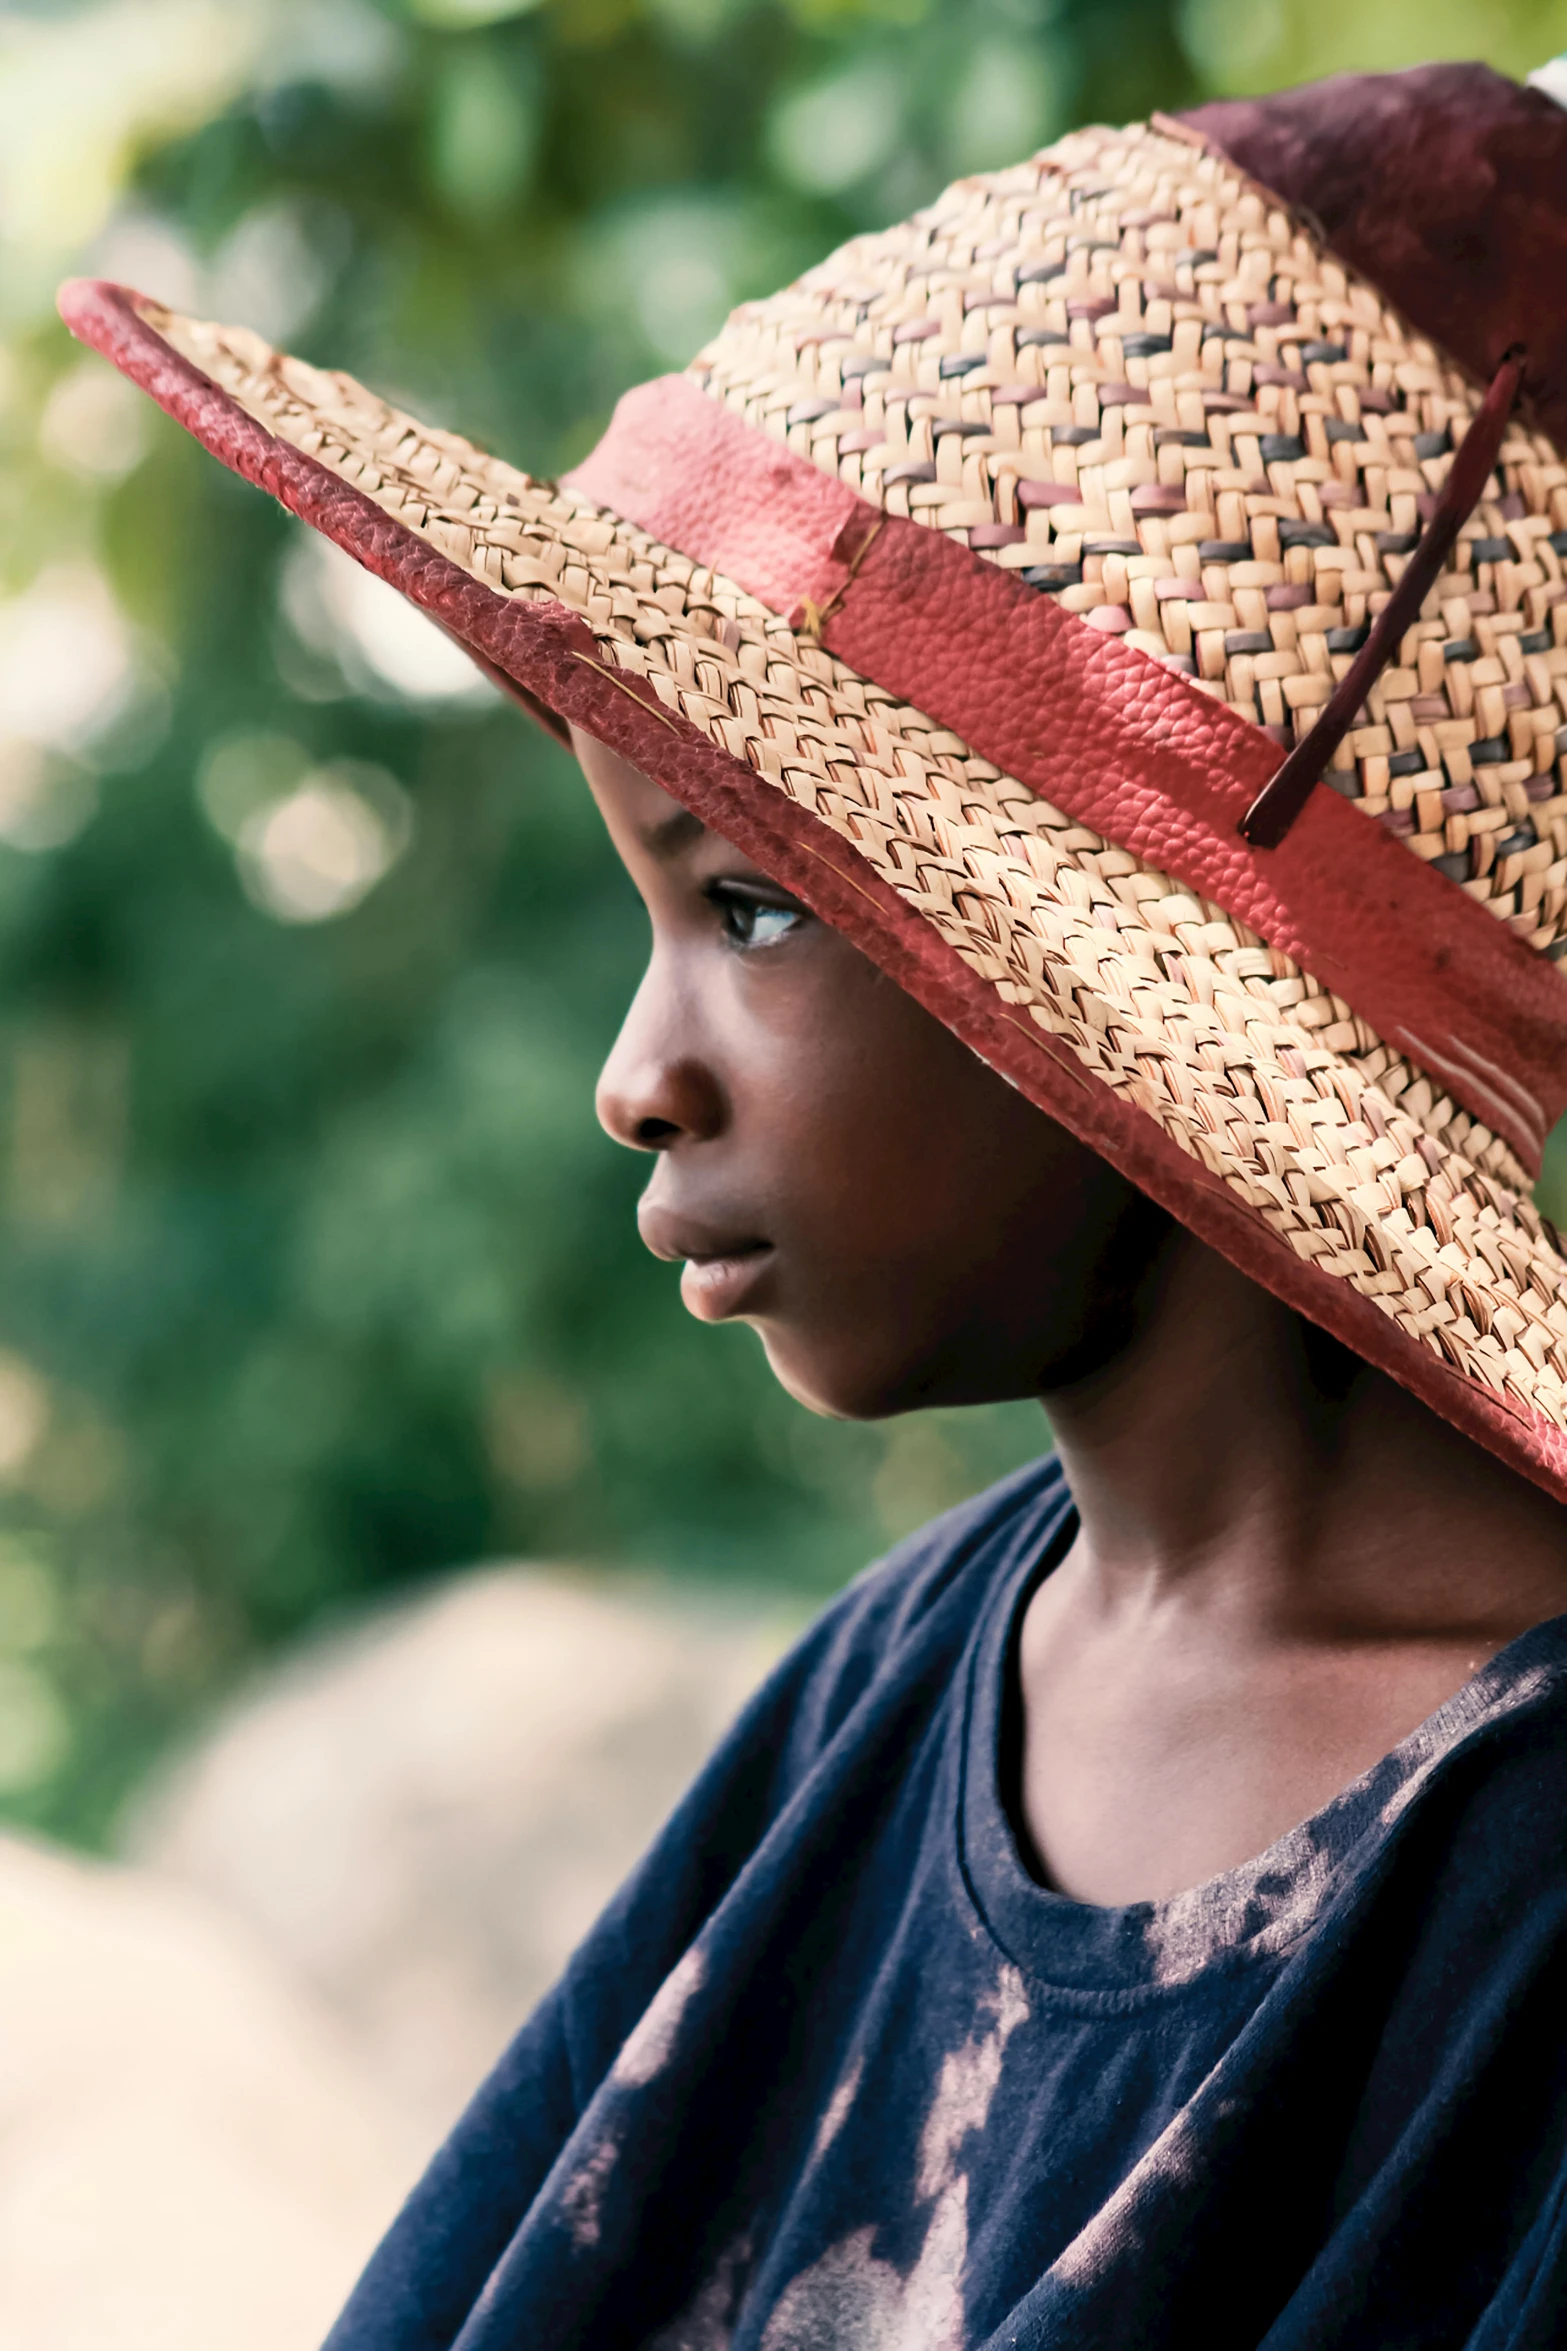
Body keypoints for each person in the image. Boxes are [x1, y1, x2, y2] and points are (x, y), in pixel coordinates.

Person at [61, 54, 1567, 2351]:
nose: (634, 1078)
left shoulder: (1512, 1891)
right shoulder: (903, 1675)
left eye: (753, 902)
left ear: (1119, 1007)